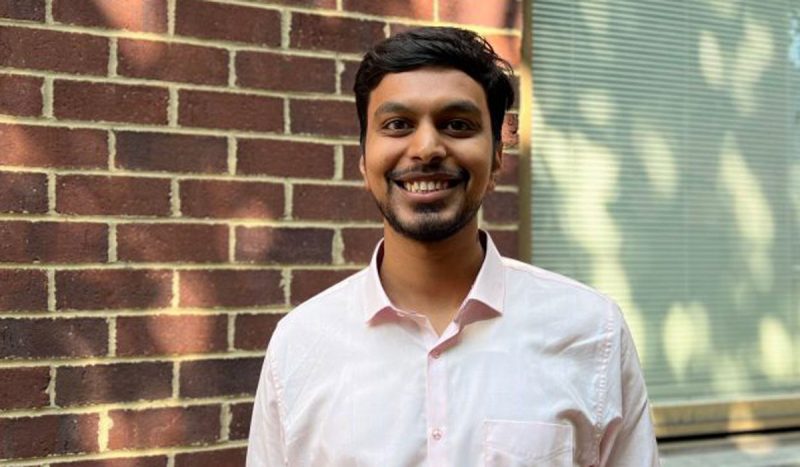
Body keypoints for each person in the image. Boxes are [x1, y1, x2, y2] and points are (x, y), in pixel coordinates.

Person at [247, 27, 660, 466]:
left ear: (498, 153)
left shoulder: (591, 332)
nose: (426, 148)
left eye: (457, 125)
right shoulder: (300, 344)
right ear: (364, 158)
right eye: (397, 125)